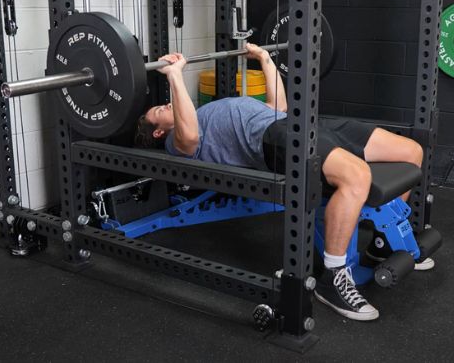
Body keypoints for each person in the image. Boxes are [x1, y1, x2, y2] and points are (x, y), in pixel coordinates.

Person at [135, 43, 433, 321]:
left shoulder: (199, 114)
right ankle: (333, 278)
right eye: (159, 110)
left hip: (295, 123)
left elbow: (278, 107)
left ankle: (381, 244)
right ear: (159, 132)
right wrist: (175, 75)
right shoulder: (177, 141)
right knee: (358, 175)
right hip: (272, 141)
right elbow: (190, 136)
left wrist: (265, 59)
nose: (165, 105)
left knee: (410, 151)